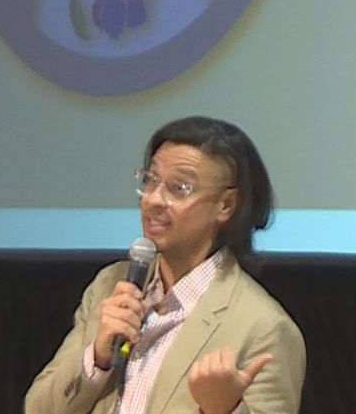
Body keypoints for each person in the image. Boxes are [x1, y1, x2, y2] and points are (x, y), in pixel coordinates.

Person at [24, 116, 305, 414]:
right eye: (151, 180)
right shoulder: (111, 284)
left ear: (226, 205)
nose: (154, 200)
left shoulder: (265, 329)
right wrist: (97, 358)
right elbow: (37, 409)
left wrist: (225, 410)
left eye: (179, 187)